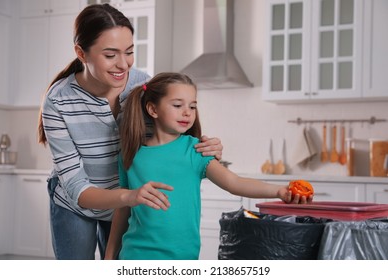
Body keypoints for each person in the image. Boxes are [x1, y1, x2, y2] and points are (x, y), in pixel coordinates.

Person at [37, 4, 223, 260]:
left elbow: (167, 138)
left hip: (128, 204)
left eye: (129, 52)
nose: (123, 64)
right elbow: (76, 186)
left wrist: (207, 148)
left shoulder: (142, 86)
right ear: (81, 52)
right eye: (110, 55)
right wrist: (128, 196)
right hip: (76, 204)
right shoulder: (58, 100)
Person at [104, 72, 313, 260]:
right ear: (153, 109)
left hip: (184, 258)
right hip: (136, 255)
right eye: (178, 105)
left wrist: (278, 190)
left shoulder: (195, 150)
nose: (187, 112)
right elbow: (123, 209)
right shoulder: (131, 155)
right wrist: (109, 256)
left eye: (192, 106)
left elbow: (234, 182)